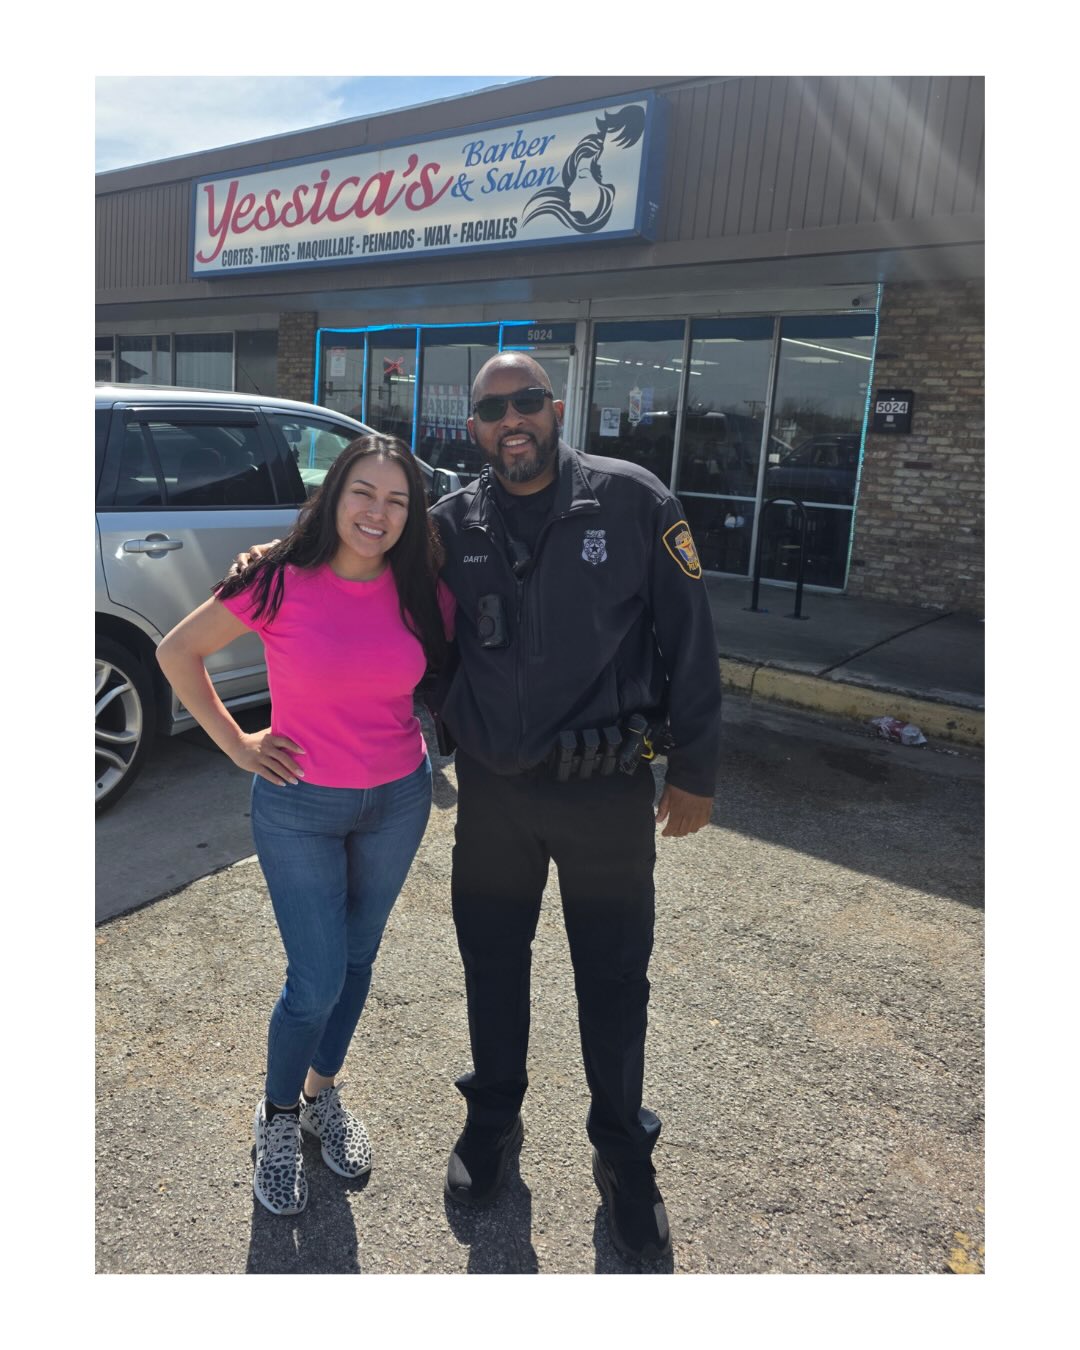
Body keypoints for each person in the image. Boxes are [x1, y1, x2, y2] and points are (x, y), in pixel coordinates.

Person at [428, 352, 721, 1264]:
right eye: (490, 410)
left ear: (555, 408)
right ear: (471, 427)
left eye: (525, 403)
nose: (510, 421)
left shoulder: (634, 501)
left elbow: (690, 635)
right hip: (497, 798)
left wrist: (695, 769)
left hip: (604, 795)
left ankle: (624, 1156)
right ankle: (494, 1122)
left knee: (613, 980)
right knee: (491, 968)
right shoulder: (447, 524)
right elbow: (402, 626)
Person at [156, 434, 452, 1216]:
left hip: (398, 799)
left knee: (356, 962)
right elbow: (176, 651)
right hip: (298, 806)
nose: (378, 512)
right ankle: (278, 1114)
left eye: (396, 499)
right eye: (364, 492)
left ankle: (323, 1094)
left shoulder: (425, 588)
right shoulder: (277, 579)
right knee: (315, 977)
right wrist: (238, 744)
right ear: (334, 496)